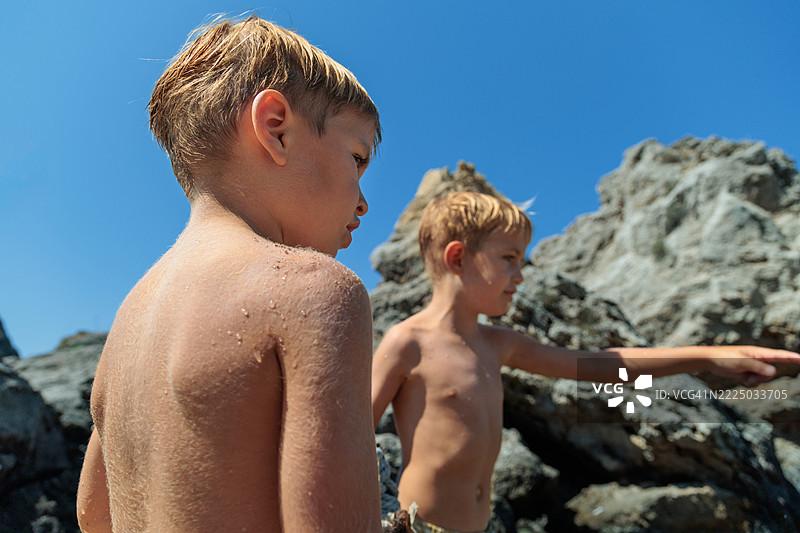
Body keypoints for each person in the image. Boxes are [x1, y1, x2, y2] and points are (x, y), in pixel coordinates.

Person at [77, 15, 383, 533]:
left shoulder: (129, 322)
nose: (363, 201)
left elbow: (92, 513)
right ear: (276, 129)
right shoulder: (314, 290)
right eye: (357, 158)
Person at [371, 190, 800, 533]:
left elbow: (602, 364)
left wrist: (709, 356)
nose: (521, 274)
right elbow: (350, 434)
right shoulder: (407, 342)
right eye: (509, 259)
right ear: (458, 257)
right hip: (421, 525)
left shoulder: (500, 345)